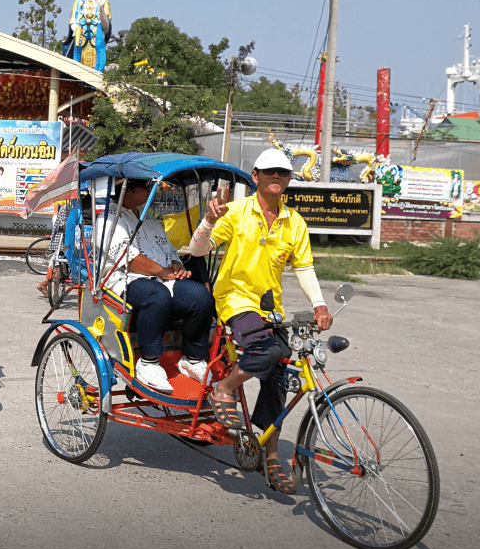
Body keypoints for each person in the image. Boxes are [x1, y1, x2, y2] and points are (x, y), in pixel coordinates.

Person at [189, 149, 333, 494]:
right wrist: (209, 220)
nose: (276, 178)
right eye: (269, 172)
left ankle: (270, 455)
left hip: (270, 308)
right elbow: (196, 250)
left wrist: (319, 304)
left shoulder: (294, 221)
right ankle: (223, 389)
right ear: (255, 176)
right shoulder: (236, 212)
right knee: (266, 350)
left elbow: (304, 268)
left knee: (280, 370)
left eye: (283, 173)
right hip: (235, 301)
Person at [102, 179, 214, 393]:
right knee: (157, 295)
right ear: (127, 192)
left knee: (199, 295)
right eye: (144, 188)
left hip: (163, 278)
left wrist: (176, 266)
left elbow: (170, 251)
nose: (148, 192)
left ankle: (192, 358)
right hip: (124, 281)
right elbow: (127, 258)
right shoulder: (108, 220)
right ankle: (148, 362)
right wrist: (162, 271)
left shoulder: (150, 220)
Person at [62, 0, 112, 71]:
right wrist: (76, 29)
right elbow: (72, 21)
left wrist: (102, 7)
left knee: (96, 73)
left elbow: (106, 27)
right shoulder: (79, 1)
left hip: (96, 42)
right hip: (81, 42)